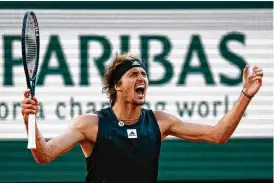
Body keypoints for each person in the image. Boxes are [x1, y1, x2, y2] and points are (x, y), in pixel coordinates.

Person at [21, 53, 264, 183]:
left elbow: (218, 134)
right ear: (117, 85)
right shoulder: (91, 124)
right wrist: (29, 121)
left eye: (144, 74)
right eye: (134, 74)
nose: (142, 79)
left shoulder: (159, 122)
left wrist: (245, 95)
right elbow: (44, 155)